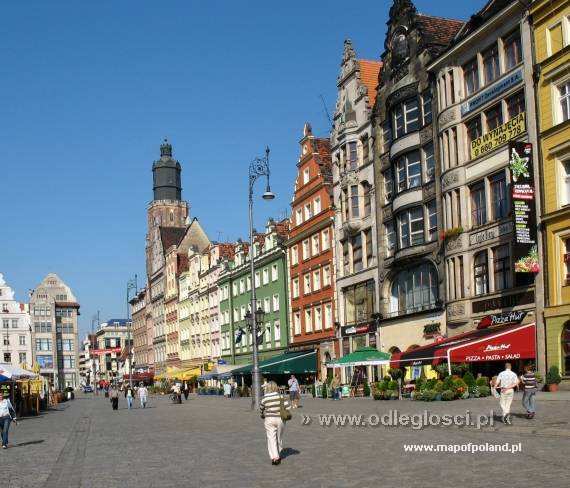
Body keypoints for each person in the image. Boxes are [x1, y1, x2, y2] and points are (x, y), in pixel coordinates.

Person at [260, 381, 291, 465]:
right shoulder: (280, 396)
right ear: (276, 387)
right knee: (279, 436)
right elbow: (288, 407)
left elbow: (261, 408)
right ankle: (279, 449)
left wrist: (263, 413)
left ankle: (275, 457)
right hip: (280, 419)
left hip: (269, 419)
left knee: (271, 438)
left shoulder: (265, 397)